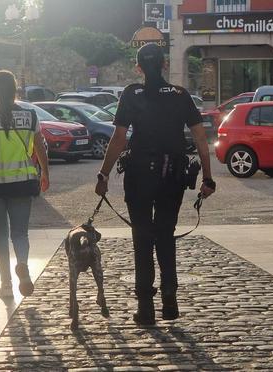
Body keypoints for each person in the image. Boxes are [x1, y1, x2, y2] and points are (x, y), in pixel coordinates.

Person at [94, 43, 216, 325]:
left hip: (139, 176)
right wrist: (208, 178)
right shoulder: (180, 95)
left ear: (138, 68)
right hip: (171, 175)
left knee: (142, 239)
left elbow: (119, 139)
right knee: (165, 236)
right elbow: (200, 139)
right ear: (164, 65)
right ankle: (170, 301)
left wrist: (103, 175)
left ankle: (146, 307)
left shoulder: (132, 94)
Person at [0, 70, 50, 298]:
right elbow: (39, 147)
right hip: (23, 183)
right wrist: (45, 173)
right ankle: (23, 264)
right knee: (20, 233)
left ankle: (6, 284)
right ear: (16, 89)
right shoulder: (31, 116)